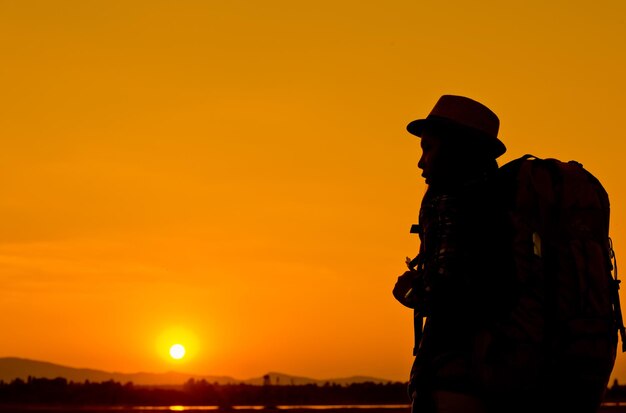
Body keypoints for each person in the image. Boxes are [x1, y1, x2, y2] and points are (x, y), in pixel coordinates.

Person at [393, 95, 513, 413]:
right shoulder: (505, 201)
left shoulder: (453, 201)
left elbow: (447, 294)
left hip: (459, 379)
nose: (421, 162)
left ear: (455, 148)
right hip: (508, 375)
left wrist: (408, 289)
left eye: (427, 148)